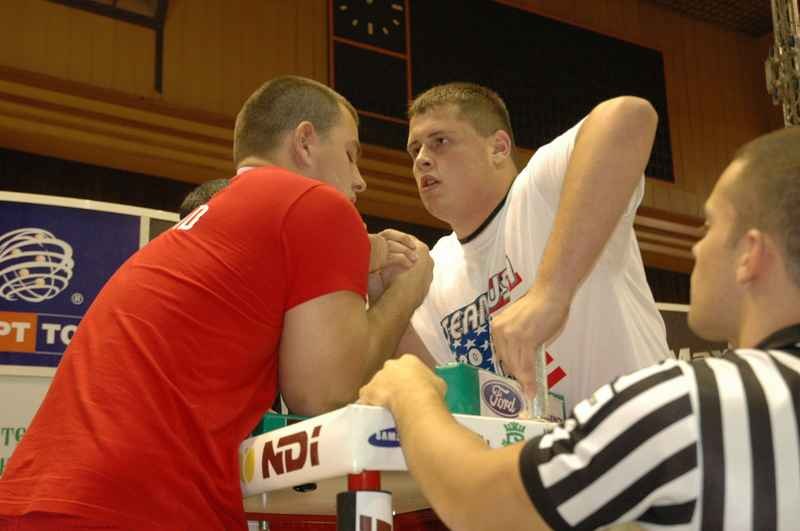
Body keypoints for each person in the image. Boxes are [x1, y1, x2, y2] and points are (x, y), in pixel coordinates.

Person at [0, 76, 433, 530]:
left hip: (40, 497)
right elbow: (323, 395)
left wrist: (358, 260)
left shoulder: (210, 223)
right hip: (135, 507)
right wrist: (408, 289)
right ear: (305, 142)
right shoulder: (314, 202)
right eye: (349, 154)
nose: (360, 180)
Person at [359, 126, 800, 530]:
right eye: (414, 149)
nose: (697, 248)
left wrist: (411, 395)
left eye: (709, 226)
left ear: (750, 254)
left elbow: (484, 505)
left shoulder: (689, 402)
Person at [396, 82, 670, 408]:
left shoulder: (539, 191)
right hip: (553, 441)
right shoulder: (435, 268)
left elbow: (628, 116)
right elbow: (440, 393)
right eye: (415, 150)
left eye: (440, 141)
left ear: (498, 148)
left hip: (654, 424)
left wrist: (550, 294)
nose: (422, 160)